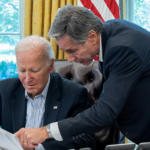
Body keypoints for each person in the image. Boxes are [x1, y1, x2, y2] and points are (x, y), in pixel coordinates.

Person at [15, 4, 150, 148]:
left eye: (73, 50)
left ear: (91, 36)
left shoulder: (122, 49)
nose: (70, 59)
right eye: (65, 51)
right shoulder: (109, 31)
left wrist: (46, 132)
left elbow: (106, 112)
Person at [0, 35, 96, 150]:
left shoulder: (74, 94)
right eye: (22, 70)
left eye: (34, 70)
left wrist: (40, 147)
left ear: (50, 66)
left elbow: (86, 140)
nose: (27, 78)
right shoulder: (5, 90)